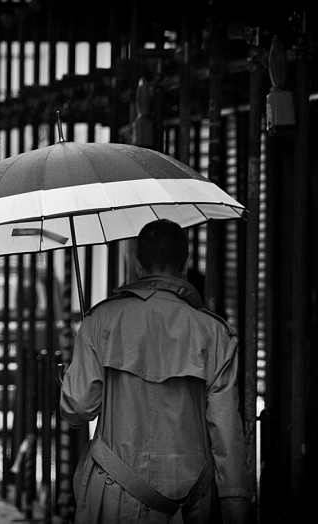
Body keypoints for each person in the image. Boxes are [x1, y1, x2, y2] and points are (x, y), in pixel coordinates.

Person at [60, 219, 253, 524]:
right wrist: (237, 508)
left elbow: (79, 407)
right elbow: (226, 434)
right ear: (186, 264)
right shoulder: (214, 333)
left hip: (115, 495)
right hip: (192, 505)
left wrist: (69, 382)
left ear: (137, 264)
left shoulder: (98, 321)